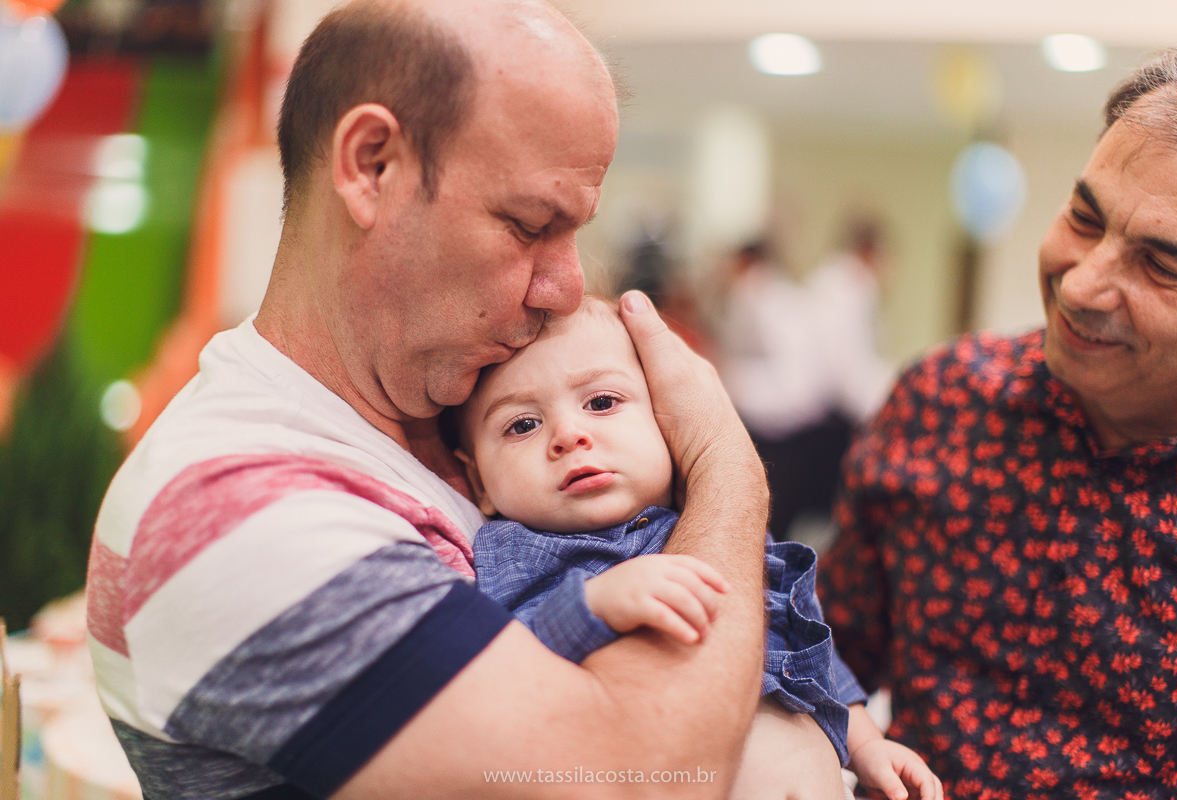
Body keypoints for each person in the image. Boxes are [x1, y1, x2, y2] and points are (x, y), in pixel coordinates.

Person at [84, 1, 822, 798]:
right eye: (529, 224)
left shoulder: (443, 414)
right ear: (372, 166)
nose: (569, 286)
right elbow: (646, 782)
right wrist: (722, 458)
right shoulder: (237, 509)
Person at [818, 45, 1177, 800]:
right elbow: (822, 658)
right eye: (1084, 217)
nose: (1083, 284)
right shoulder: (942, 402)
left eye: (1161, 264)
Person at [451, 295, 943, 800]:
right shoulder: (518, 552)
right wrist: (593, 604)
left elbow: (802, 640)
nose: (569, 435)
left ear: (668, 423)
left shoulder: (717, 525)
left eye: (601, 402)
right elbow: (506, 664)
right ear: (478, 480)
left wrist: (866, 743)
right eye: (522, 425)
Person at [717, 234, 894, 539]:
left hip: (788, 419)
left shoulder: (763, 292)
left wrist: (729, 379)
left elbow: (811, 373)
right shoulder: (829, 289)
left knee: (774, 522)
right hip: (798, 415)